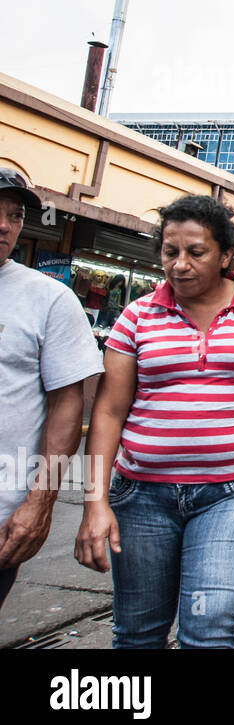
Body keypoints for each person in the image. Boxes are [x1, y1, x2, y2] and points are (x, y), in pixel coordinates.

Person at [74, 194, 234, 647]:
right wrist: (94, 502)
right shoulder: (137, 316)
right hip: (141, 496)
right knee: (138, 632)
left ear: (224, 255)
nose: (179, 264)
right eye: (169, 251)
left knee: (210, 625)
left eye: (195, 252)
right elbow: (108, 411)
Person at [0, 169, 102, 613]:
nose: (5, 225)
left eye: (15, 216)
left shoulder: (49, 299)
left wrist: (40, 502)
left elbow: (68, 404)